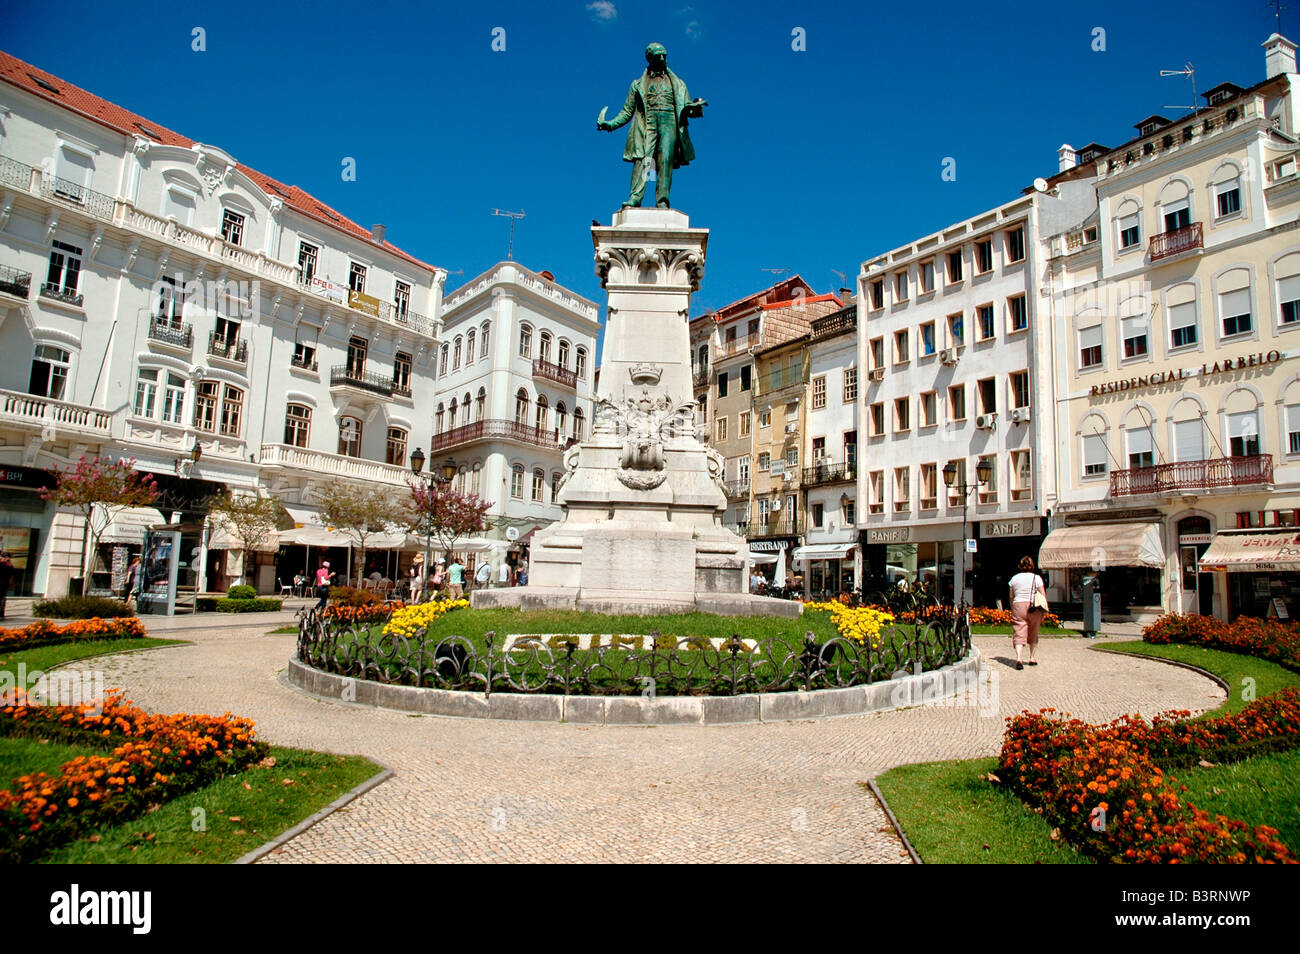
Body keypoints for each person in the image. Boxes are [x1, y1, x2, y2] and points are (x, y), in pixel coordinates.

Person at [597, 42, 706, 209]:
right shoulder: (637, 84)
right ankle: (635, 197)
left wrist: (694, 109)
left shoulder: (678, 83)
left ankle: (663, 200)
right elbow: (627, 112)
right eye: (658, 56)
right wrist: (610, 124)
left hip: (669, 121)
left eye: (664, 55)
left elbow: (686, 108)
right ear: (649, 59)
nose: (662, 59)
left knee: (665, 160)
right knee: (644, 159)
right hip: (647, 122)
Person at [1008, 555, 1047, 670]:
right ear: (1032, 566)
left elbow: (1011, 596)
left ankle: (1019, 658)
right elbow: (1042, 594)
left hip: (1018, 605)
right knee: (1033, 631)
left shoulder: (1014, 579)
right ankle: (1032, 658)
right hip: (1034, 606)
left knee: (1019, 631)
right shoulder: (1037, 578)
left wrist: (1013, 607)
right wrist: (1045, 610)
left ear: (1020, 566)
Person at [0, 551, 14, 620]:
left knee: (2, 599)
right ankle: (1, 614)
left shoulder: (3, 564)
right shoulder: (10, 565)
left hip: (2, 584)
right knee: (2, 599)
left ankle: (1, 613)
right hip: (5, 584)